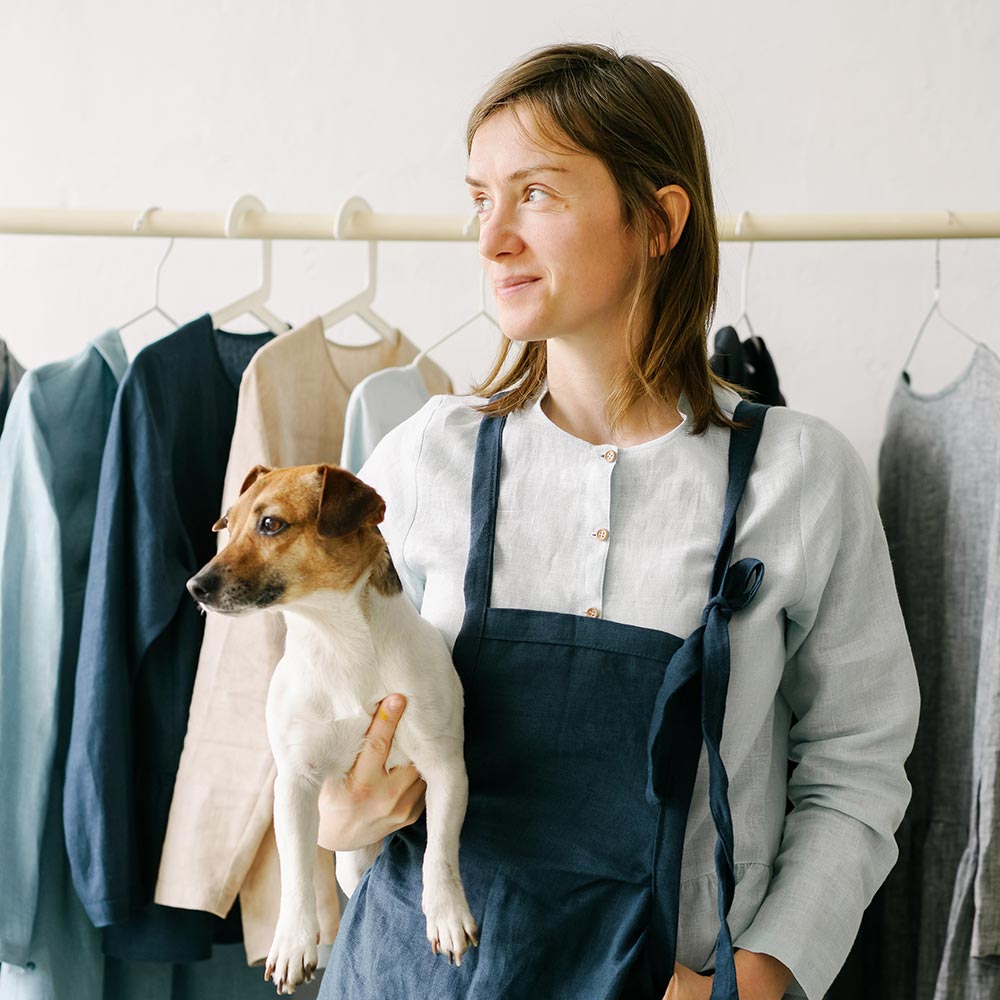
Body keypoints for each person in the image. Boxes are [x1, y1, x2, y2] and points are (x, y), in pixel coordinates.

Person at [314, 42, 919, 1000]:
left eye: (538, 194)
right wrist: (343, 823)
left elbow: (858, 762)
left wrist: (764, 975)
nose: (492, 239)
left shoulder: (798, 475)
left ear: (659, 220)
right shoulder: (426, 457)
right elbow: (332, 720)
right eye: (481, 197)